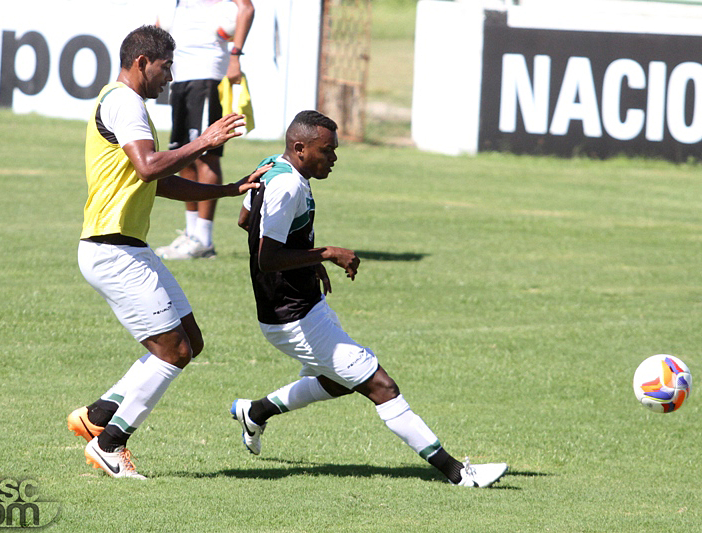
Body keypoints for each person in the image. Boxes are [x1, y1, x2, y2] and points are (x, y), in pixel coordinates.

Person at [231, 110, 508, 487]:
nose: (334, 159)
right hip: (290, 317)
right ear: (300, 148)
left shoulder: (272, 167)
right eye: (327, 151)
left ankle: (256, 411)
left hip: (304, 304)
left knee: (339, 381)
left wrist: (304, 262)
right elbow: (266, 257)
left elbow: (247, 221)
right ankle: (459, 474)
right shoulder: (288, 186)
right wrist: (325, 253)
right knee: (381, 385)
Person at [67, 24, 270, 479]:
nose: (170, 76)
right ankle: (109, 444)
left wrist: (230, 187)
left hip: (126, 248)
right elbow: (148, 166)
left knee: (189, 341)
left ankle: (98, 416)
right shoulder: (125, 103)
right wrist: (203, 141)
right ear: (142, 62)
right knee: (173, 351)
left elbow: (155, 178)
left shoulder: (124, 104)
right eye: (165, 66)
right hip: (111, 249)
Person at [154, 0, 255, 260]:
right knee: (183, 153)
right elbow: (159, 25)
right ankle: (191, 234)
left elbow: (246, 8)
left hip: (208, 72)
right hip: (180, 76)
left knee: (207, 154)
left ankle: (204, 238)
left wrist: (236, 55)